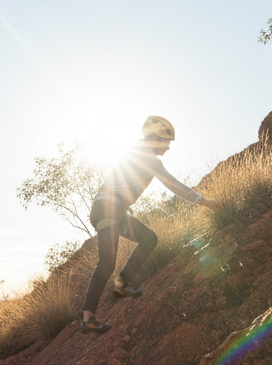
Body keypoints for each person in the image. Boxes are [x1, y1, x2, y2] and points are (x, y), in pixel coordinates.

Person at [80, 115, 215, 333]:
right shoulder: (149, 159)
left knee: (149, 238)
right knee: (107, 262)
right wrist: (204, 201)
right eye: (166, 141)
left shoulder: (135, 152)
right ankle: (87, 318)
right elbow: (175, 186)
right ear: (156, 139)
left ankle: (122, 284)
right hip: (109, 209)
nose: (168, 148)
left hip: (114, 209)